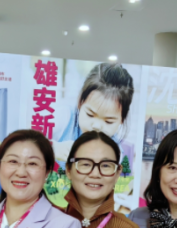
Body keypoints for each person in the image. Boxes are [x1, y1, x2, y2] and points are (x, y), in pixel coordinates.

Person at [55, 63, 136, 211]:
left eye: (108, 121)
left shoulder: (115, 152)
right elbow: (29, 145)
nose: (97, 126)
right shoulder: (63, 118)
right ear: (80, 102)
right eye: (90, 115)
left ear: (122, 119)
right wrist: (53, 148)